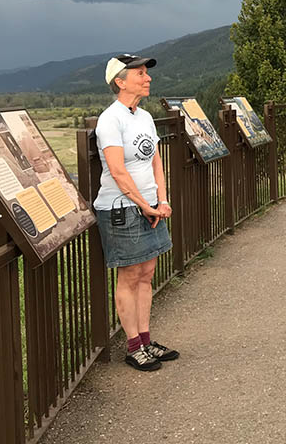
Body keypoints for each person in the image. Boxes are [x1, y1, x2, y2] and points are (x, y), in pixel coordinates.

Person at [94, 54, 177, 372]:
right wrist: (146, 206)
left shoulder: (143, 117)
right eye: (140, 74)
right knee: (129, 276)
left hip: (149, 206)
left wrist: (163, 200)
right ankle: (133, 347)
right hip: (122, 208)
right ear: (120, 81)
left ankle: (146, 340)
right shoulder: (110, 120)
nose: (148, 78)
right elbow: (117, 170)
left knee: (147, 274)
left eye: (146, 73)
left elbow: (155, 161)